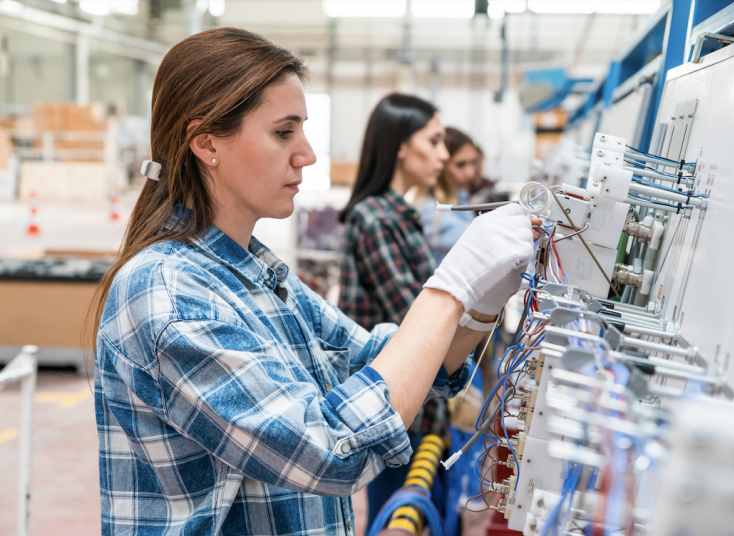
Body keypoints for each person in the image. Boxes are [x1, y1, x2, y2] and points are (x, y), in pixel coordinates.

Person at [89, 28, 534, 536]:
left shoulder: (259, 273)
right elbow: (330, 450)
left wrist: (483, 298)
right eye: (284, 132)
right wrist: (451, 287)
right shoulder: (169, 294)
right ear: (207, 143)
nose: (307, 155)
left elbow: (386, 364)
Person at [337, 94, 453, 530]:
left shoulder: (400, 215)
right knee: (396, 520)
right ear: (401, 145)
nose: (443, 154)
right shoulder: (375, 218)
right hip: (397, 414)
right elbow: (416, 317)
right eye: (434, 140)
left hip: (416, 411)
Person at [414, 126, 480, 264]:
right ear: (441, 164)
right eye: (460, 165)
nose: (470, 172)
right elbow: (477, 240)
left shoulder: (461, 195)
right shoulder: (429, 210)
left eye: (473, 162)